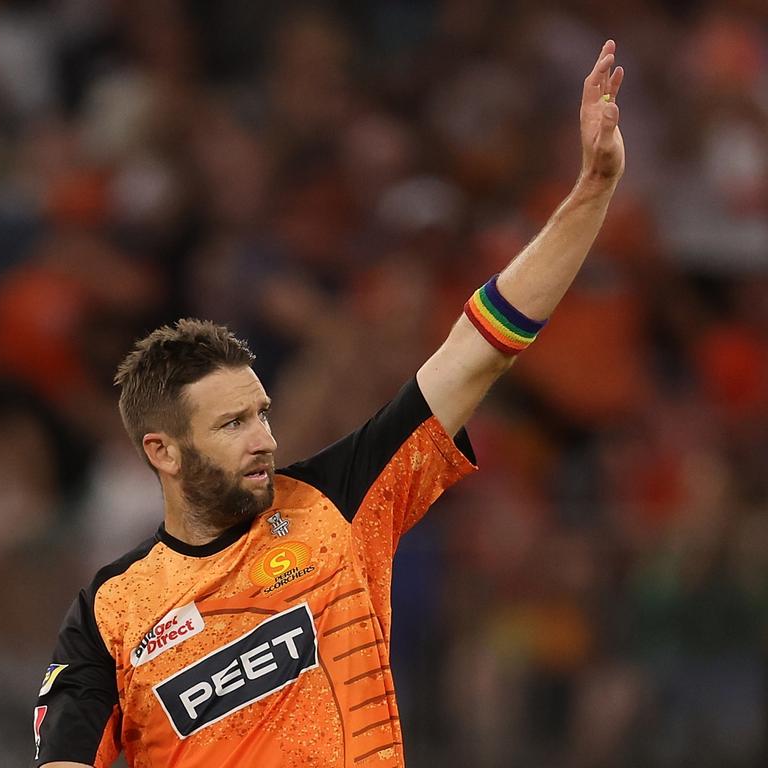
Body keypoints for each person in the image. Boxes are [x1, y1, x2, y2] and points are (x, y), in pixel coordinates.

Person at [32, 41, 626, 767]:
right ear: (163, 450)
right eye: (231, 423)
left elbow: (479, 349)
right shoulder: (110, 614)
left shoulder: (336, 505)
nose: (262, 439)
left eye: (260, 415)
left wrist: (591, 190)